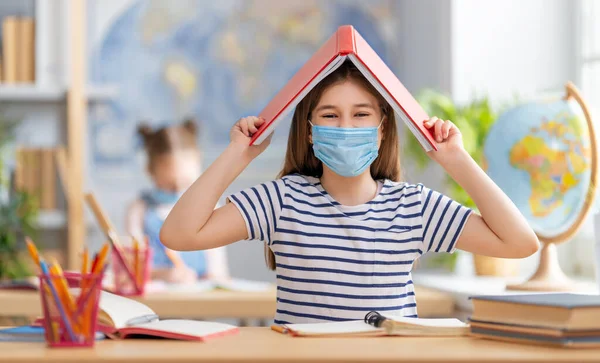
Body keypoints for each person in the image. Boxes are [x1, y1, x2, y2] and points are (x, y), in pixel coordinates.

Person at [160, 61, 539, 323]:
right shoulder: (282, 201)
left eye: (360, 115)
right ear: (309, 131)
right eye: (329, 115)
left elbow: (520, 243)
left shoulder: (413, 206)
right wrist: (236, 156)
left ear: (383, 128)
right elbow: (179, 234)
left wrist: (456, 160)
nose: (345, 126)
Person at [126, 119, 229, 283]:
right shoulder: (139, 210)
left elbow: (218, 271)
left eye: (186, 183)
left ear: (199, 164)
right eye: (170, 185)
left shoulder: (210, 208)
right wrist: (160, 274)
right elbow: (131, 269)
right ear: (150, 171)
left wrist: (215, 278)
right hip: (158, 302)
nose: (179, 190)